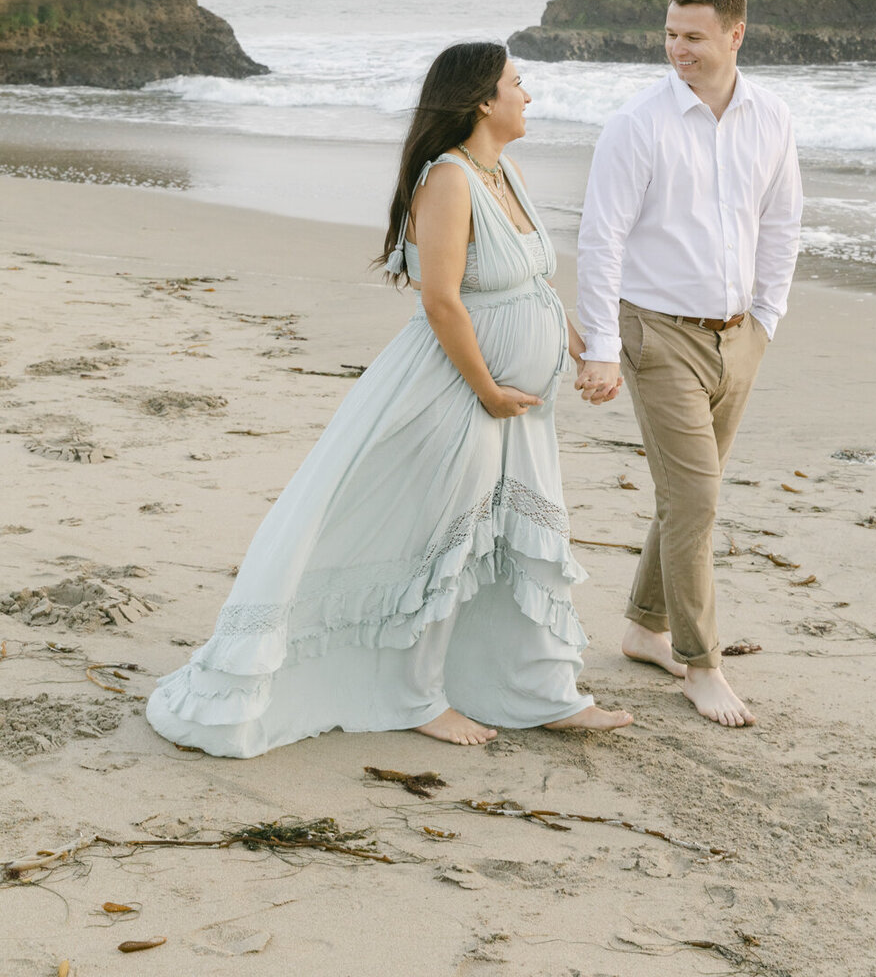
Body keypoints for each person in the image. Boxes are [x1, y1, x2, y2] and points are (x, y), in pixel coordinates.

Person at [146, 41, 631, 756]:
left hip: (517, 405)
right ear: (482, 101)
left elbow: (533, 283)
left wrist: (585, 348)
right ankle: (414, 698)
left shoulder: (509, 174)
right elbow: (441, 302)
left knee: (521, 540)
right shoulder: (450, 181)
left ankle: (539, 692)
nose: (528, 96)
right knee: (440, 541)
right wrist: (487, 388)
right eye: (517, 85)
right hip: (458, 391)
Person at [575, 0, 803, 728]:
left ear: (735, 36)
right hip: (656, 332)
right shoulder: (637, 124)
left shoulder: (771, 117)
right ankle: (700, 663)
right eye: (671, 34)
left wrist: (766, 318)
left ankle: (644, 627)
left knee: (684, 498)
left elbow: (781, 222)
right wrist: (602, 347)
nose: (678, 49)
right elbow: (600, 238)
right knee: (698, 499)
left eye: (694, 36)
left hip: (738, 336)